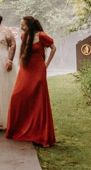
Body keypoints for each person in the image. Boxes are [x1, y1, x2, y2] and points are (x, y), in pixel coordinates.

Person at [6, 16, 56, 147]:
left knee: (38, 101)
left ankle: (39, 134)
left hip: (38, 70)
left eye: (23, 24)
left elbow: (53, 48)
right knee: (17, 96)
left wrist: (46, 64)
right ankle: (18, 129)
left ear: (29, 24)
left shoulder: (41, 35)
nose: (21, 26)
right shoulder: (23, 36)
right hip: (25, 70)